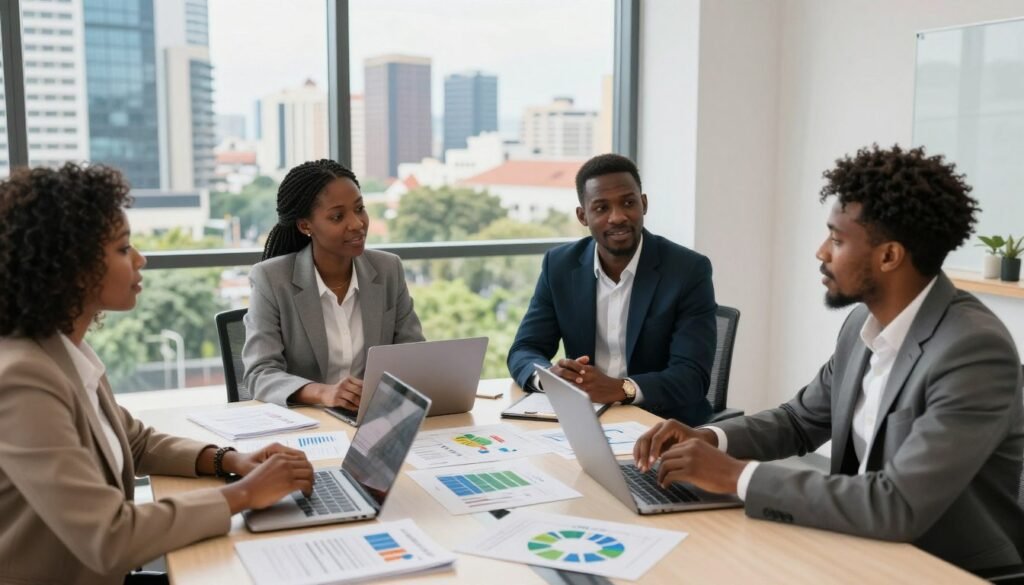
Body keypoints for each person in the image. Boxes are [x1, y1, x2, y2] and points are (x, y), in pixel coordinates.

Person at [633, 144, 1024, 571]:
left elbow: (899, 504)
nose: (821, 251)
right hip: (860, 544)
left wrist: (734, 476)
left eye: (837, 240)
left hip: (943, 567)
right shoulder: (862, 325)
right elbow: (799, 420)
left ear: (889, 256)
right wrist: (709, 438)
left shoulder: (973, 350)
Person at [0, 163, 315, 585]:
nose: (141, 259)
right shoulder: (23, 379)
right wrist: (243, 494)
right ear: (71, 266)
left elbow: (136, 440)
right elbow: (109, 536)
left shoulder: (63, 349)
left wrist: (231, 461)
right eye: (123, 248)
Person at [507, 153, 718, 425]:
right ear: (583, 216)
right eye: (601, 208)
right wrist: (549, 378)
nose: (617, 217)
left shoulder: (688, 270)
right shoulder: (559, 266)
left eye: (628, 203)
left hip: (664, 423)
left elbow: (691, 377)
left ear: (643, 204)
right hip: (585, 419)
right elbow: (525, 348)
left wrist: (621, 388)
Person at [243, 159, 424, 408]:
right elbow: (259, 373)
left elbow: (414, 355)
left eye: (359, 209)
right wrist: (323, 393)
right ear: (306, 225)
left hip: (373, 419)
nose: (357, 224)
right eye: (338, 216)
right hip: (307, 424)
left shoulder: (388, 269)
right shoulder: (272, 279)